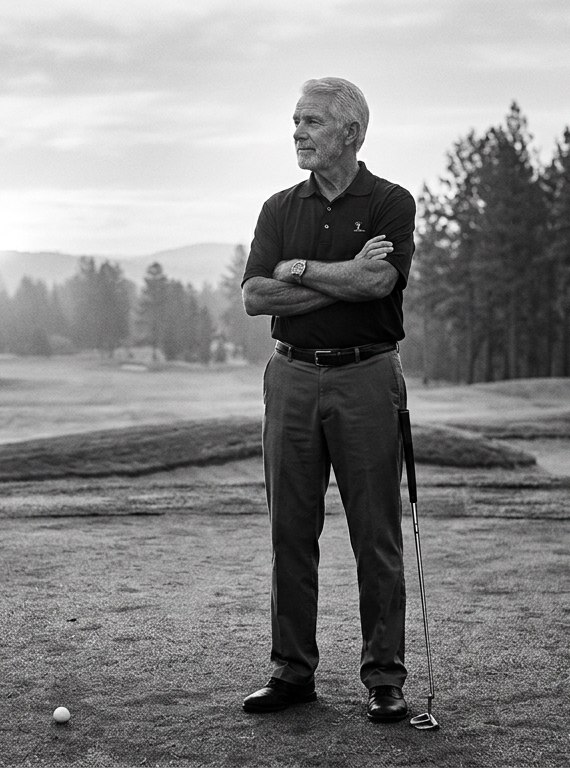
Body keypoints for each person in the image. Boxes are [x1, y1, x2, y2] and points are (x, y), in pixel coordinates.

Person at [239, 77, 416, 723]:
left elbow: (379, 281)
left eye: (312, 121)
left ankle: (384, 677)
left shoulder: (392, 201)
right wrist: (343, 278)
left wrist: (303, 269)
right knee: (291, 529)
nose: (298, 132)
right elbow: (257, 296)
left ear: (351, 132)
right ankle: (291, 673)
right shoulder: (279, 208)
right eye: (295, 122)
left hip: (366, 378)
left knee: (375, 533)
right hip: (289, 377)